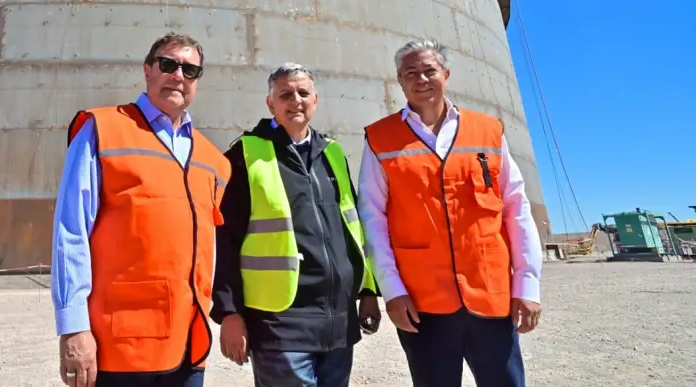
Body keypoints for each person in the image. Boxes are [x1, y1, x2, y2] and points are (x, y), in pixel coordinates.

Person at [357, 38, 543, 387]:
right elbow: (373, 219)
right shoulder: (380, 138)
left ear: (446, 74)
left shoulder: (487, 131)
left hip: (491, 295)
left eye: (429, 70)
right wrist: (392, 290)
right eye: (411, 73)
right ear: (400, 81)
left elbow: (516, 209)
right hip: (423, 304)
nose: (421, 79)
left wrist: (528, 284)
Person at [51, 32, 231, 387]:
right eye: (168, 65)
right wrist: (73, 328)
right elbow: (71, 230)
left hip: (188, 345)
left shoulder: (213, 160)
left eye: (190, 71)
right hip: (121, 347)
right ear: (148, 70)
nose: (178, 75)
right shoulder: (103, 129)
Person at [212, 63, 380, 387]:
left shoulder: (332, 154)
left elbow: (354, 228)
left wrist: (368, 290)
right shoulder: (245, 155)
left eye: (303, 93)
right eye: (285, 94)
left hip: (338, 322)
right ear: (270, 103)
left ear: (315, 100)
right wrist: (230, 312)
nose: (296, 100)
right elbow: (224, 240)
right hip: (281, 324)